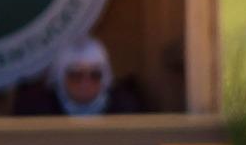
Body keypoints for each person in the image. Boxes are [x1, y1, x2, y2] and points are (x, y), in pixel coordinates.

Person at [10, 36, 147, 117]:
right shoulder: (36, 111)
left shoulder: (125, 109)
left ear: (105, 78)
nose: (85, 82)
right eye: (75, 75)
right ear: (60, 77)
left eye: (95, 75)